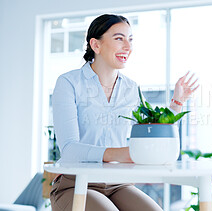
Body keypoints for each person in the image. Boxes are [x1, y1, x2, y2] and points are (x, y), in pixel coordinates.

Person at [49, 14, 198, 211]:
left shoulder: (131, 88)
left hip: (118, 183)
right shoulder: (69, 83)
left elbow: (153, 131)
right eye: (119, 38)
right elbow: (69, 149)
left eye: (130, 39)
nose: (128, 47)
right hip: (75, 183)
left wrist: (178, 102)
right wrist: (125, 154)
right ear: (96, 45)